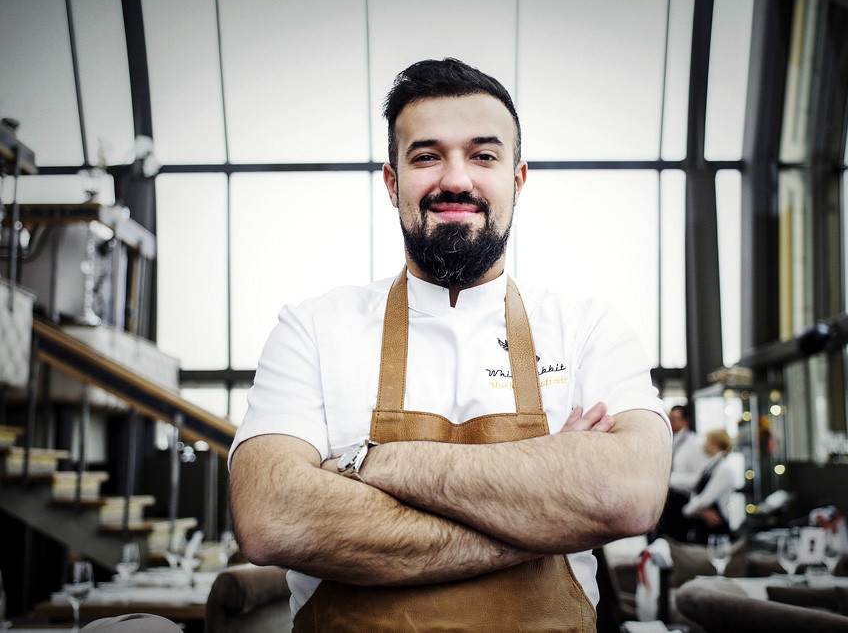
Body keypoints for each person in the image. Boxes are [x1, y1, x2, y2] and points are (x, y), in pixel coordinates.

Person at [228, 57, 672, 632]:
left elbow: (629, 491)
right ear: (393, 183)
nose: (456, 179)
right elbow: (272, 517)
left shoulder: (587, 327)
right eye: (427, 156)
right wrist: (546, 513)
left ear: (518, 180)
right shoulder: (312, 328)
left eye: (484, 156)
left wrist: (373, 463)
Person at [656, 404, 707, 541]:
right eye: (670, 418)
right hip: (663, 498)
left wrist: (668, 479)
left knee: (675, 540)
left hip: (680, 500)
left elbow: (699, 478)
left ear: (685, 421)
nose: (670, 422)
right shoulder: (666, 439)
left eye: (675, 419)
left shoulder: (695, 443)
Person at [682, 428, 738, 544]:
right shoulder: (711, 465)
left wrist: (688, 510)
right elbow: (696, 487)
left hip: (716, 525)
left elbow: (706, 499)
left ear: (715, 443)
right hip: (704, 525)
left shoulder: (724, 469)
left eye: (706, 441)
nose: (703, 445)